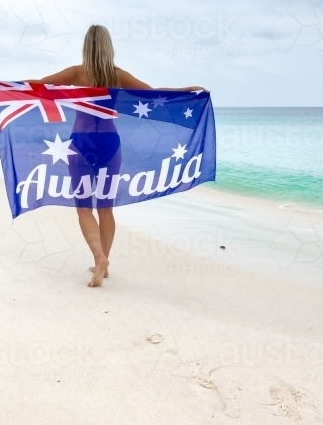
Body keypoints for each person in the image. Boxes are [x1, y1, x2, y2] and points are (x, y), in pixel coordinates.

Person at [25, 25, 206, 287]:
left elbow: (38, 85)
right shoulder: (118, 75)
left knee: (84, 206)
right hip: (109, 144)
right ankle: (104, 262)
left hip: (82, 144)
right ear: (109, 47)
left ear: (86, 47)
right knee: (105, 208)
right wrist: (186, 91)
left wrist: (4, 86)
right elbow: (155, 95)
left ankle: (99, 257)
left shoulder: (76, 73)